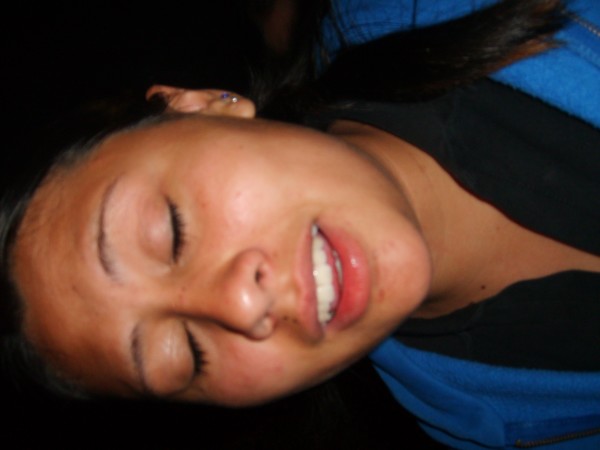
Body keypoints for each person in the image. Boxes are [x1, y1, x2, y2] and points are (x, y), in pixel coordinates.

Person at [1, 0, 599, 448]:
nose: (239, 306)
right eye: (187, 355)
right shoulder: (491, 428)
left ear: (201, 105)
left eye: (173, 230)